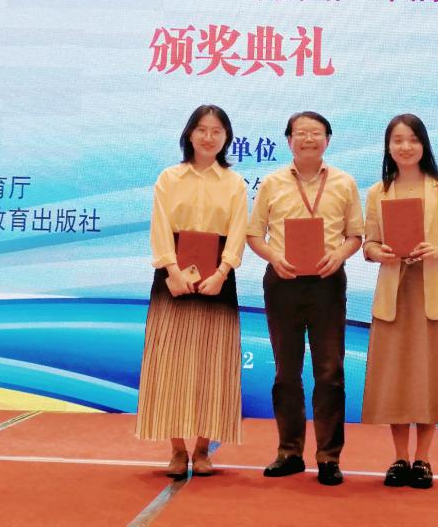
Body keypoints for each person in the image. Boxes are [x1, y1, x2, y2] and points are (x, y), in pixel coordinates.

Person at [247, 111, 363, 486]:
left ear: (327, 139)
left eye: (316, 133)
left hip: (327, 283)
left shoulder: (344, 182)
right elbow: (253, 234)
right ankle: (289, 452)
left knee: (330, 372)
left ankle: (329, 457)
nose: (308, 139)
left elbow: (355, 235)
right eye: (301, 133)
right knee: (286, 372)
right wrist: (273, 257)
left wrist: (340, 254)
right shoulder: (272, 183)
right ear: (289, 140)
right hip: (283, 282)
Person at [136, 105, 248, 479]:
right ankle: (176, 450)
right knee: (169, 363)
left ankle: (202, 450)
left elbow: (237, 232)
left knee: (212, 366)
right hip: (173, 278)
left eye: (217, 131)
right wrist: (171, 270)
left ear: (226, 138)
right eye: (201, 129)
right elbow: (160, 227)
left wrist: (223, 272)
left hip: (218, 279)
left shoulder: (234, 183)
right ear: (189, 134)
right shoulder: (169, 178)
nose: (208, 137)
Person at [361, 114, 438, 489]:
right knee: (396, 376)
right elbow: (369, 243)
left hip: (432, 293)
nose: (405, 147)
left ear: (423, 144)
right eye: (397, 140)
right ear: (388, 147)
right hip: (394, 293)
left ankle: (423, 458)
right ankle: (399, 457)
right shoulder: (378, 192)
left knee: (429, 376)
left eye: (412, 139)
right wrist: (379, 252)